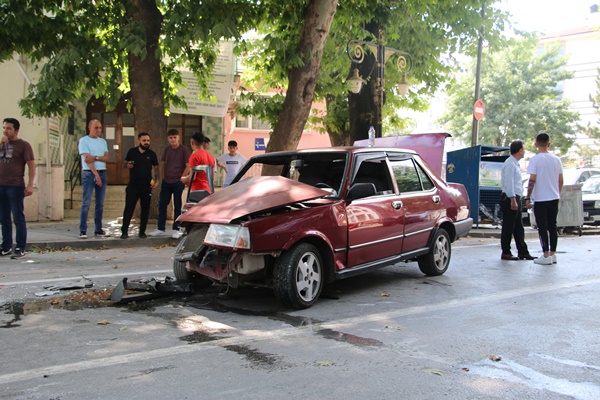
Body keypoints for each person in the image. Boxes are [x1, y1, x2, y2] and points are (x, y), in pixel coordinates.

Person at [525, 132, 563, 265]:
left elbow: (532, 179)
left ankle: (545, 254)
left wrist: (528, 196)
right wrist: (557, 193)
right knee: (553, 225)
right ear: (549, 144)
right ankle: (553, 254)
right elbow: (560, 179)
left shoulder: (534, 160)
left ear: (536, 144)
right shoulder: (557, 160)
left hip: (541, 198)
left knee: (542, 227)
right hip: (554, 197)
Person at [0, 118, 35, 258]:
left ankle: (20, 247)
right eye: (4, 127)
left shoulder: (24, 145)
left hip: (15, 186)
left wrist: (30, 184)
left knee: (18, 217)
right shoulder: (2, 144)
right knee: (3, 218)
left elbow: (31, 165)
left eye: (9, 128)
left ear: (16, 130)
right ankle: (6, 246)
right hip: (1, 186)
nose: (5, 130)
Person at [148, 129, 190, 239]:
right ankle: (160, 228)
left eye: (175, 137)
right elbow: (163, 164)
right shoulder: (167, 150)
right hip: (167, 181)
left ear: (178, 138)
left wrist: (182, 178)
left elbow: (188, 165)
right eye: (171, 137)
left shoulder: (184, 150)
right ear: (168, 138)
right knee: (162, 204)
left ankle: (176, 229)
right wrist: (163, 177)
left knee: (177, 206)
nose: (173, 139)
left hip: (178, 182)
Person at [499, 140, 534, 261]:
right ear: (519, 150)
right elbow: (509, 183)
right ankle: (506, 251)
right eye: (523, 149)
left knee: (518, 226)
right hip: (510, 197)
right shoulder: (510, 163)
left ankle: (523, 251)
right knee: (509, 226)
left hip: (516, 197)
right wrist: (512, 200)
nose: (524, 151)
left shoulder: (515, 164)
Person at [120, 132, 159, 239]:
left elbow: (156, 168)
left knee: (145, 209)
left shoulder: (151, 154)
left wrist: (157, 180)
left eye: (148, 141)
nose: (146, 143)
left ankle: (142, 231)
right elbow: (124, 164)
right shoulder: (132, 152)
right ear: (139, 141)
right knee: (129, 208)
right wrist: (127, 165)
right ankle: (124, 231)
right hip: (133, 185)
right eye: (144, 140)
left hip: (146, 186)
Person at [78, 119, 110, 239]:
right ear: (89, 128)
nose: (98, 130)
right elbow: (87, 160)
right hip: (89, 173)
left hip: (102, 172)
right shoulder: (84, 141)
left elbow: (107, 157)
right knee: (86, 203)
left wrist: (95, 157)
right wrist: (96, 175)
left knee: (100, 203)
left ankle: (98, 228)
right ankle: (83, 230)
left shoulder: (103, 142)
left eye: (100, 128)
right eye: (96, 127)